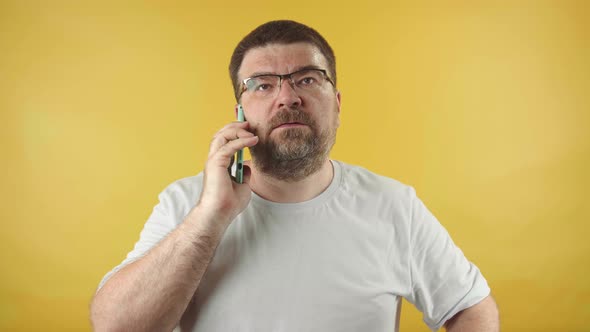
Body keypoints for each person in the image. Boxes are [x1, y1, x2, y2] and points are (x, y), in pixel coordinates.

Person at [90, 20, 499, 331]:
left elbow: (470, 305)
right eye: (263, 86)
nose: (288, 97)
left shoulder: (394, 205)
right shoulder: (185, 204)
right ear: (240, 113)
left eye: (307, 79)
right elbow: (115, 325)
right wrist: (210, 216)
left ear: (336, 103)